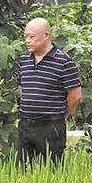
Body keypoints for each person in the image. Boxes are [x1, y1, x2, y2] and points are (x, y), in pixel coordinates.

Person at [17, 17, 82, 166]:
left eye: (31, 37)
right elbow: (21, 88)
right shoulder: (24, 60)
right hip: (26, 125)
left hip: (50, 126)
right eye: (25, 36)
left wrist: (62, 115)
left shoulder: (64, 61)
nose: (27, 40)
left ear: (46, 35)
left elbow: (75, 95)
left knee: (52, 172)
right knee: (23, 172)